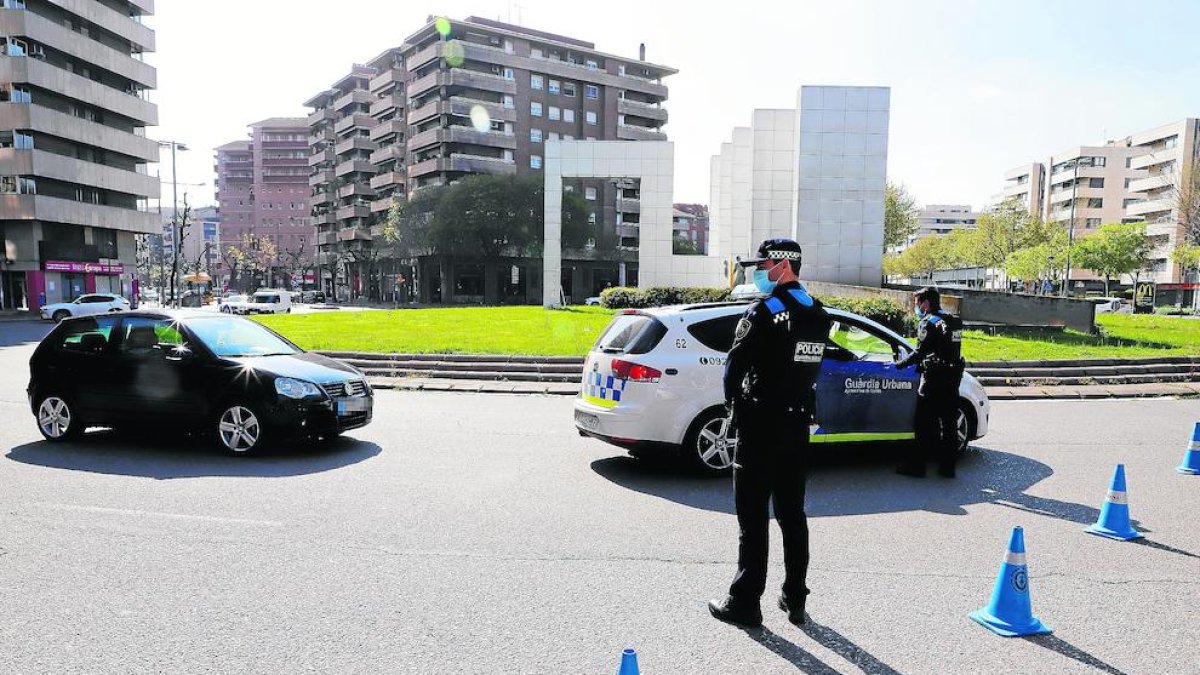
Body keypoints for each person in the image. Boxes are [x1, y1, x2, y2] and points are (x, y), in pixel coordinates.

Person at [708, 238, 831, 628]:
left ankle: (745, 602)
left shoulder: (765, 311)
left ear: (782, 265)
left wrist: (732, 405)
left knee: (753, 518)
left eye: (764, 264)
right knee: (793, 515)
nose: (761, 271)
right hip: (797, 427)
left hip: (761, 426)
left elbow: (734, 366)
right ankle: (794, 597)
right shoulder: (818, 313)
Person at [895, 287, 965, 478]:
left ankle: (917, 466)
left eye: (917, 303)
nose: (916, 307)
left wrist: (899, 365)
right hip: (952, 377)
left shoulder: (928, 322)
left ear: (926, 303)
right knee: (949, 424)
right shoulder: (954, 320)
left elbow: (920, 353)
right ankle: (948, 468)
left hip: (934, 379)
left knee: (924, 423)